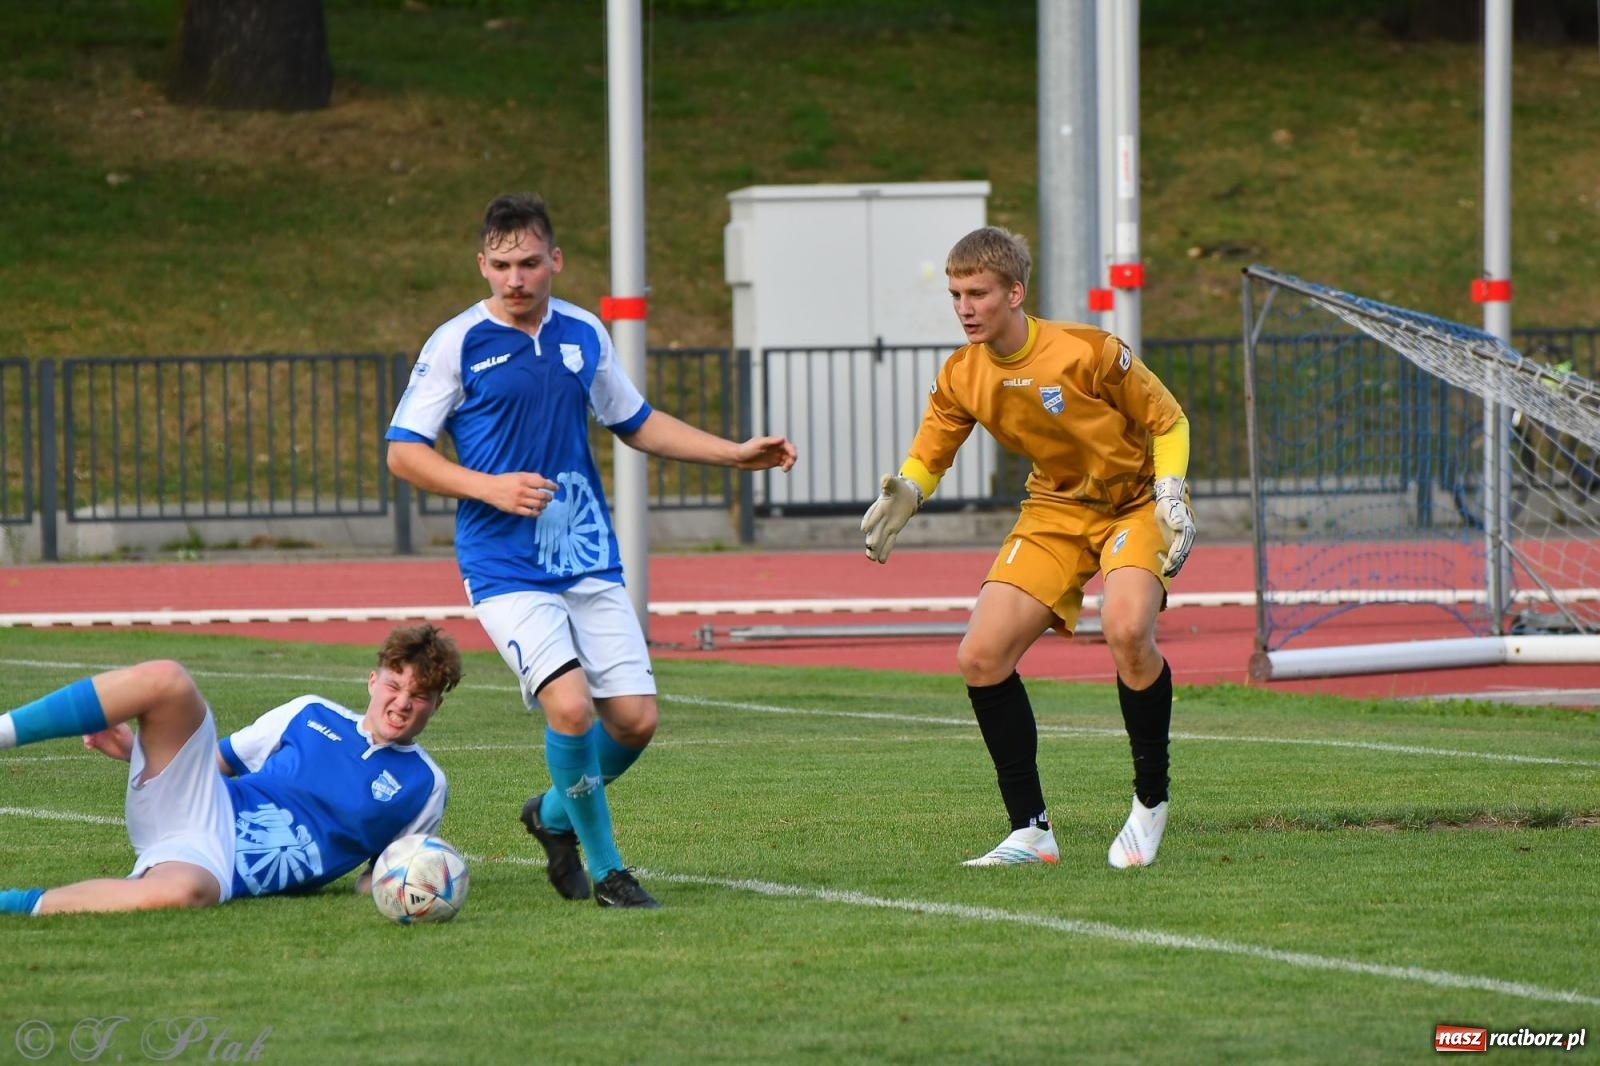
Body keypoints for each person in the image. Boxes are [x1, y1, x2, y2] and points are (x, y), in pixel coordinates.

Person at [386, 192, 796, 909]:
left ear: (556, 261)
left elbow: (634, 421)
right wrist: (489, 487)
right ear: (482, 265)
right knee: (571, 709)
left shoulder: (582, 331)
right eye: (503, 265)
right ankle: (608, 872)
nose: (516, 279)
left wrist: (735, 454)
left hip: (587, 555)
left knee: (634, 721)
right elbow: (404, 453)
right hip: (505, 565)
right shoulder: (457, 342)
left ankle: (548, 817)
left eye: (530, 263)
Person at [860, 226, 1196, 869]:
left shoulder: (1089, 350)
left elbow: (1169, 420)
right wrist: (908, 490)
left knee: (1126, 630)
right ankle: (1032, 833)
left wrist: (1171, 489)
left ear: (1014, 293)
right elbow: (933, 448)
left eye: (978, 293)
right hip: (1054, 509)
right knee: (981, 657)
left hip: (1134, 501)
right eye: (956, 294)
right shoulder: (963, 372)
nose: (964, 307)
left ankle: (1150, 802)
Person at [0, 623, 463, 915]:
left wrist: (417, 886)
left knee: (179, 895)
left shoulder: (425, 785)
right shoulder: (309, 712)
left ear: (437, 705)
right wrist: (132, 750)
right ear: (372, 680)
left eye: (419, 695)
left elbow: (382, 874)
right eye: (393, 684)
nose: (401, 702)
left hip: (219, 867)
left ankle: (15, 905)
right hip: (207, 804)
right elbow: (211, 764)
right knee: (168, 679)